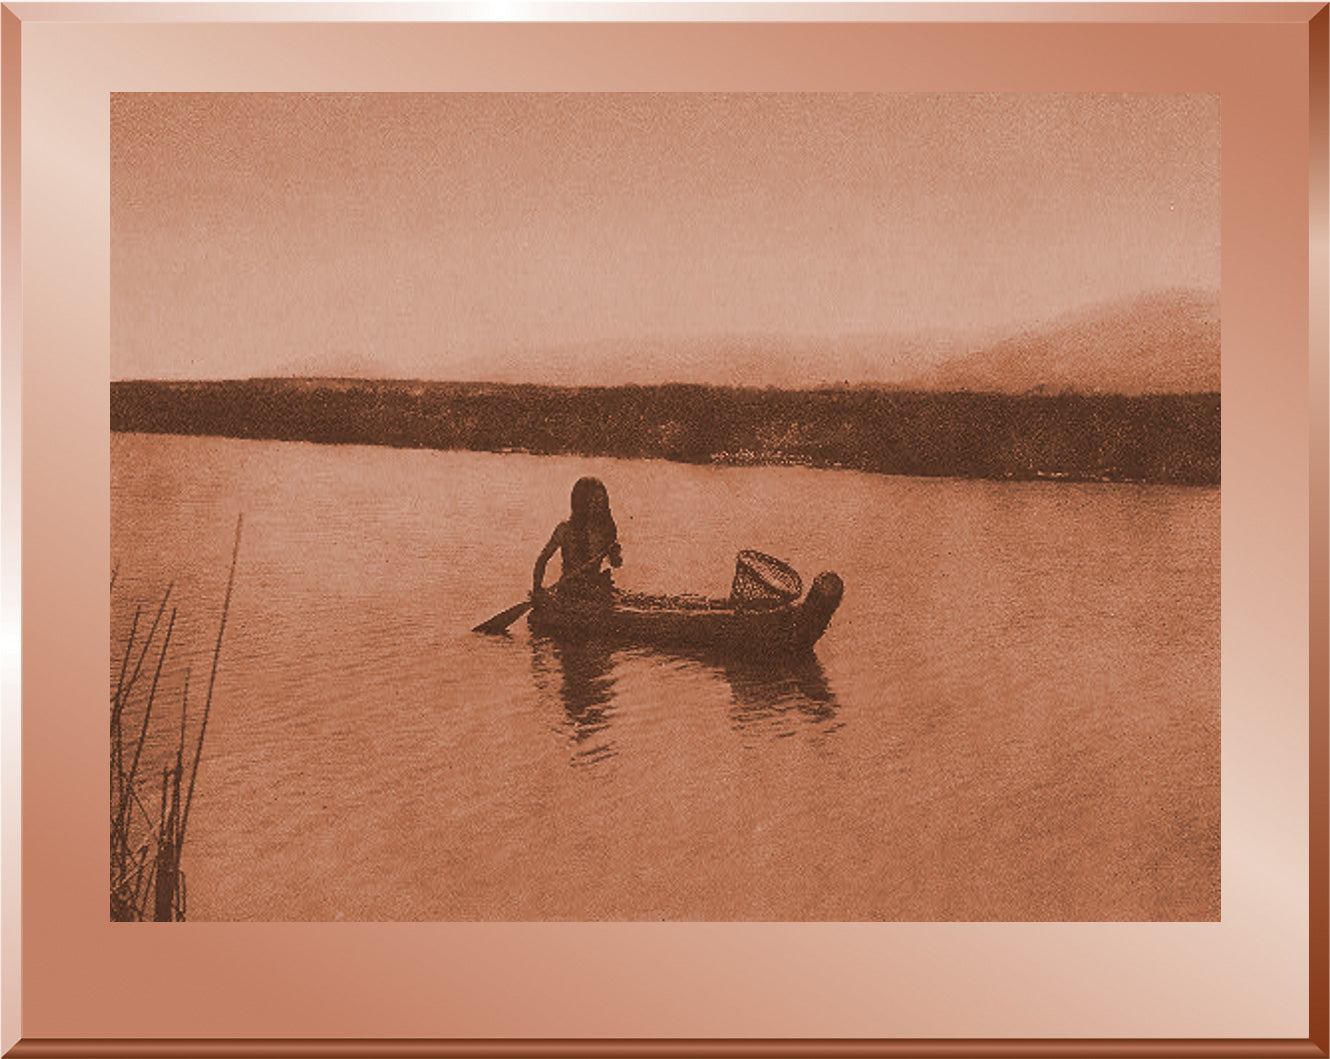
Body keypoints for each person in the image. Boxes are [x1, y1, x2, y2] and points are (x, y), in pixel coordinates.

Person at [532, 477, 623, 602]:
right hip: (569, 590)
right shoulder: (565, 529)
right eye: (592, 500)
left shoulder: (606, 530)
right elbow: (542, 560)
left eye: (600, 499)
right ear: (581, 503)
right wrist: (537, 590)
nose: (597, 505)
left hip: (597, 590)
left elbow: (615, 564)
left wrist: (615, 554)